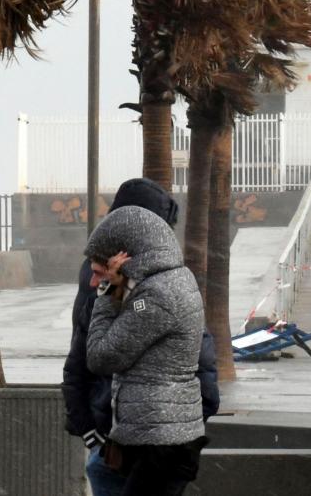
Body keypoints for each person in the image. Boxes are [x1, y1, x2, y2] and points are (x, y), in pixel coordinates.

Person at [62, 179, 218, 496]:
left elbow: (100, 357)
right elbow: (82, 355)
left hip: (157, 440)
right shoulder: (159, 283)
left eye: (97, 272)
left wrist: (109, 291)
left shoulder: (154, 295)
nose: (94, 281)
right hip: (139, 435)